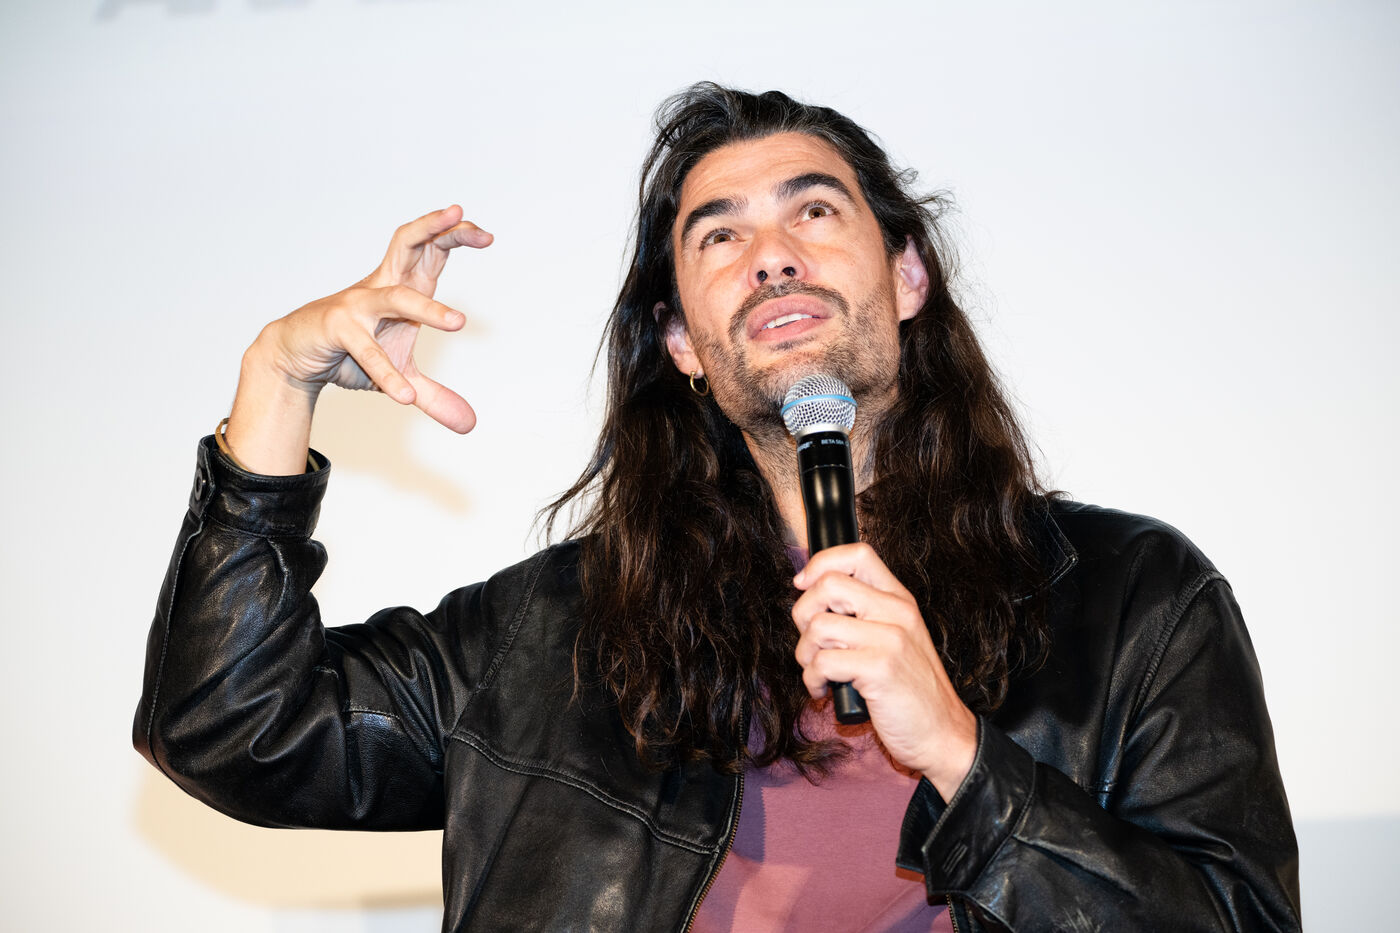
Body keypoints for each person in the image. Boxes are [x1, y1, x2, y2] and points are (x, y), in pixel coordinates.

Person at [134, 83, 1301, 932]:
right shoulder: (553, 636)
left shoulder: (1131, 601)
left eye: (814, 213)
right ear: (683, 343)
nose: (771, 256)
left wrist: (958, 752)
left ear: (906, 276)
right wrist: (276, 383)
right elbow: (234, 731)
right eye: (720, 235)